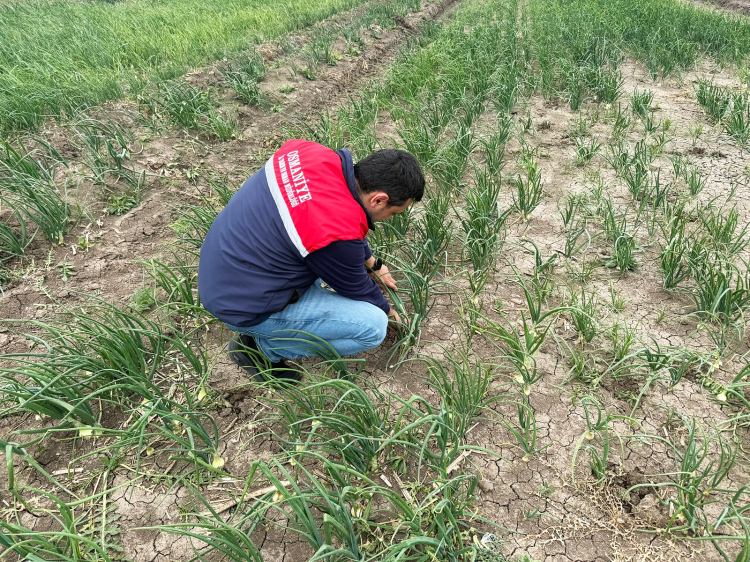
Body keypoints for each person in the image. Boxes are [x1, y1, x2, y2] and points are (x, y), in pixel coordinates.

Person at [198, 139, 424, 383]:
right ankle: (259, 349)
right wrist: (390, 314)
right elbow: (357, 286)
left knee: (313, 250)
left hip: (226, 271)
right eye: (393, 213)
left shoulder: (308, 153)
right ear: (378, 200)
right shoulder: (336, 233)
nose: (390, 218)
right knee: (373, 327)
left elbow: (345, 226)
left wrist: (373, 264)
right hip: (243, 305)